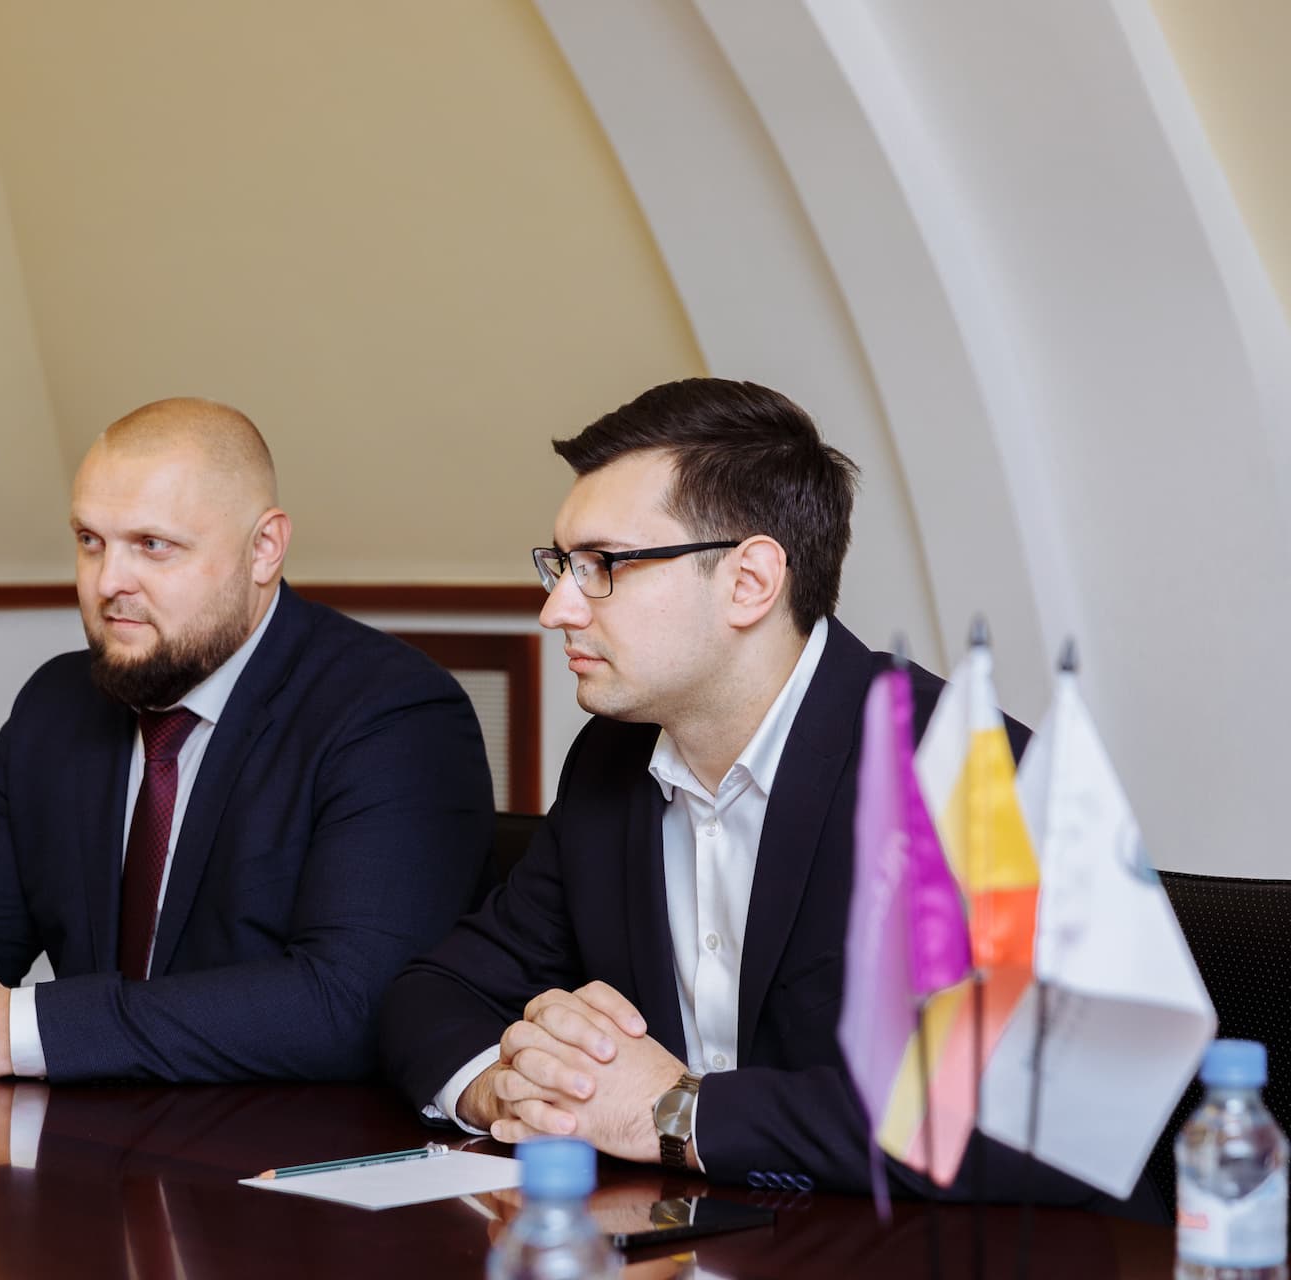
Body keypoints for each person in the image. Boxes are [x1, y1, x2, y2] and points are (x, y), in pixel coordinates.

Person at [377, 377, 1156, 1214]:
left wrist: (677, 1114)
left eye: (602, 566)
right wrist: (507, 1086)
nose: (556, 608)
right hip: (702, 1239)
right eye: (561, 565)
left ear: (749, 581)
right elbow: (436, 992)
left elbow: (1048, 1120)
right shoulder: (609, 761)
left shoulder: (964, 770)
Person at [0, 397, 494, 1083]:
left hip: (284, 1138)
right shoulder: (58, 703)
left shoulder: (391, 713)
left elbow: (349, 1003)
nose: (109, 582)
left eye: (153, 545)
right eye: (90, 541)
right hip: (83, 1134)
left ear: (264, 549)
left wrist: (16, 1028)